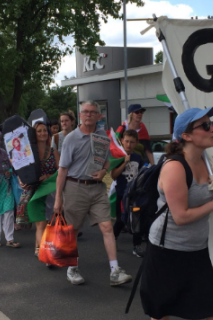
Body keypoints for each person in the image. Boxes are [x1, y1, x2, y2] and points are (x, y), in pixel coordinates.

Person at [139, 107, 213, 320]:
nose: (212, 129)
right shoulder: (175, 167)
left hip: (196, 252)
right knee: (161, 314)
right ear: (186, 136)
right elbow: (180, 216)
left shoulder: (207, 162)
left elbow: (201, 196)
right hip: (167, 252)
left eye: (212, 124)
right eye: (205, 126)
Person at [54, 100, 132, 286]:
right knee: (72, 231)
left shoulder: (102, 137)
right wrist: (58, 199)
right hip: (75, 187)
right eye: (85, 112)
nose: (89, 114)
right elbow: (62, 170)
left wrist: (104, 171)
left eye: (93, 112)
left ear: (99, 116)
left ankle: (115, 271)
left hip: (97, 189)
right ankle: (72, 268)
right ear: (80, 115)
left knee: (106, 227)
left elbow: (107, 161)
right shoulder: (71, 139)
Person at [17, 122, 58, 256]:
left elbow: (61, 171)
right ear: (34, 134)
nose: (42, 133)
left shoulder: (53, 152)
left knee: (48, 222)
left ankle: (39, 246)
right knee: (40, 223)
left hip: (50, 192)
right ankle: (45, 252)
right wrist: (21, 180)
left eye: (45, 130)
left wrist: (48, 175)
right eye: (39, 131)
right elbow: (19, 169)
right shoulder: (27, 152)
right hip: (34, 192)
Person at [110, 130, 144, 257]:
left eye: (132, 142)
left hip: (134, 194)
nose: (129, 144)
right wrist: (124, 162)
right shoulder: (118, 156)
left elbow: (140, 173)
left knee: (136, 219)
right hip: (121, 193)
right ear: (122, 141)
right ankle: (113, 238)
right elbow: (113, 175)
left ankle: (136, 245)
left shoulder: (138, 157)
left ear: (136, 143)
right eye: (127, 141)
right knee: (121, 220)